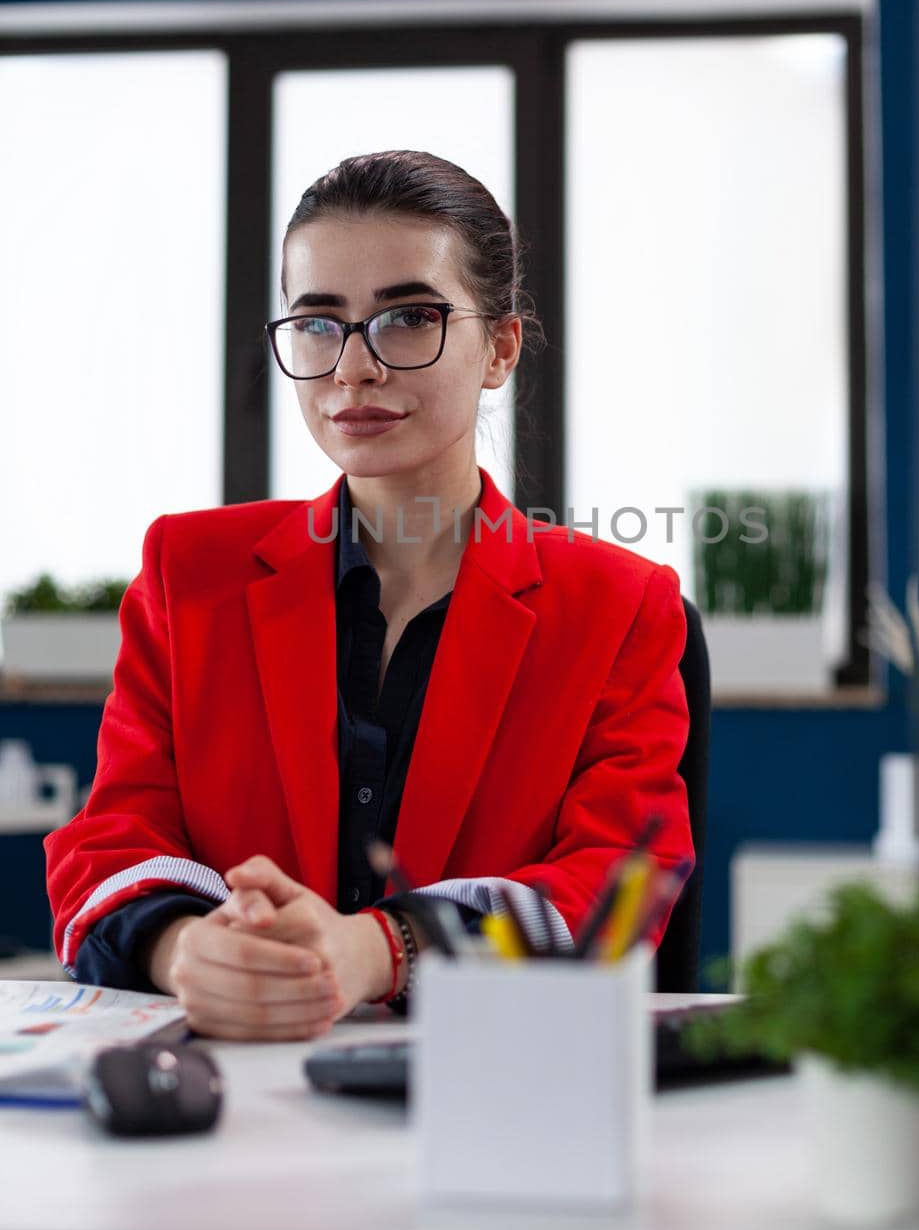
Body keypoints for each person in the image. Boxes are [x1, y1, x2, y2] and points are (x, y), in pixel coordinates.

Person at [43, 149, 695, 1041]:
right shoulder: (188, 573)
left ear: (500, 347)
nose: (353, 368)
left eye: (408, 318)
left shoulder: (617, 605)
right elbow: (111, 838)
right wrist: (186, 950)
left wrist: (381, 950)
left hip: (491, 1083)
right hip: (237, 1079)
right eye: (319, 324)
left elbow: (619, 881)